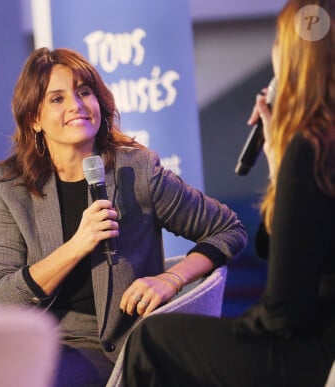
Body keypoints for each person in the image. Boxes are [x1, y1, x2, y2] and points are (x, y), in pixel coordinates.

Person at [0, 46, 247, 386]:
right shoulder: (12, 186)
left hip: (130, 343)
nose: (76, 106)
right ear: (34, 118)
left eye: (84, 92)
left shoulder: (135, 170)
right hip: (56, 345)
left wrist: (171, 279)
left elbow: (228, 229)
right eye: (57, 99)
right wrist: (78, 245)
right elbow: (5, 296)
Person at [122, 0, 335, 385]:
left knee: (151, 340)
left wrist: (237, 333)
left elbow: (282, 314)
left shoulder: (313, 147)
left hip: (316, 352)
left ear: (294, 56)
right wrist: (277, 165)